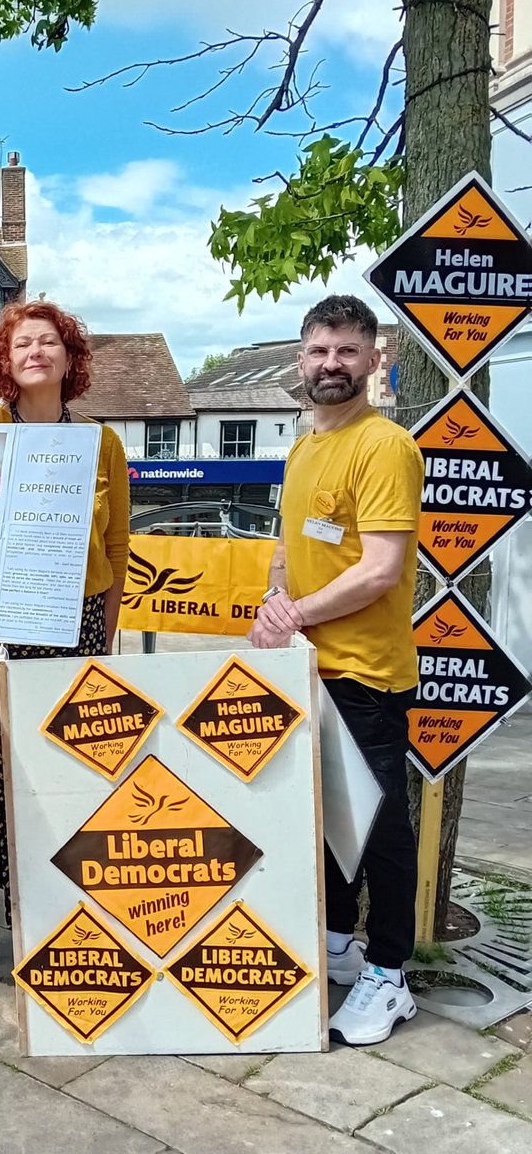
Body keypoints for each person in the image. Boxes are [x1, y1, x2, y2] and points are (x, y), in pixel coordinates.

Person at [248, 293, 423, 1047]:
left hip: (366, 673)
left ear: (373, 359)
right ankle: (338, 942)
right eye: (320, 350)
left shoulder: (384, 446)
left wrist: (296, 614)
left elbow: (380, 570)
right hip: (310, 668)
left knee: (378, 827)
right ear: (301, 358)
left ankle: (389, 973)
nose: (332, 364)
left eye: (348, 350)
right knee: (326, 822)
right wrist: (272, 603)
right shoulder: (304, 448)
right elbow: (290, 549)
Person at [0, 299, 129, 970]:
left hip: (75, 620)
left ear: (69, 356)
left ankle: (46, 898)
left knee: (63, 762)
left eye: (48, 341)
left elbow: (117, 545)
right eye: (22, 343)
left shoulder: (102, 442)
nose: (35, 352)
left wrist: (105, 638)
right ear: (5, 359)